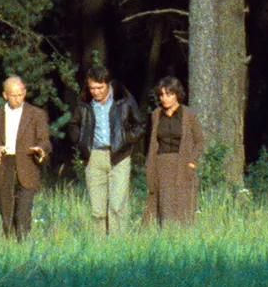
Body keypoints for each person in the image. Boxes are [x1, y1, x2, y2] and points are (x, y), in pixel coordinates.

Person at [69, 65, 145, 236]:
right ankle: (99, 249)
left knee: (118, 205)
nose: (95, 92)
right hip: (94, 156)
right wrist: (82, 143)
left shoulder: (123, 98)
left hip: (119, 156)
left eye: (100, 87)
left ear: (108, 84)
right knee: (97, 209)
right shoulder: (84, 101)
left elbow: (140, 125)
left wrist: (125, 140)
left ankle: (118, 247)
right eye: (92, 87)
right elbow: (74, 125)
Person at [0, 76, 51, 241]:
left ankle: (23, 246)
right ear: (5, 95)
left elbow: (44, 140)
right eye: (14, 95)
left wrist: (41, 150)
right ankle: (9, 245)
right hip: (4, 164)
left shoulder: (36, 114)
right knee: (6, 211)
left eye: (21, 94)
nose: (18, 99)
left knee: (23, 211)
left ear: (25, 93)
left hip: (27, 164)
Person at [142, 76, 204, 227]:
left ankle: (181, 238)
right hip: (161, 163)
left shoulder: (188, 115)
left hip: (181, 162)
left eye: (169, 94)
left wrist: (192, 161)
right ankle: (163, 236)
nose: (164, 99)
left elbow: (200, 140)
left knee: (182, 203)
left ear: (177, 95)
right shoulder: (156, 114)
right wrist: (150, 165)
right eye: (162, 95)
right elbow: (151, 142)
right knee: (162, 204)